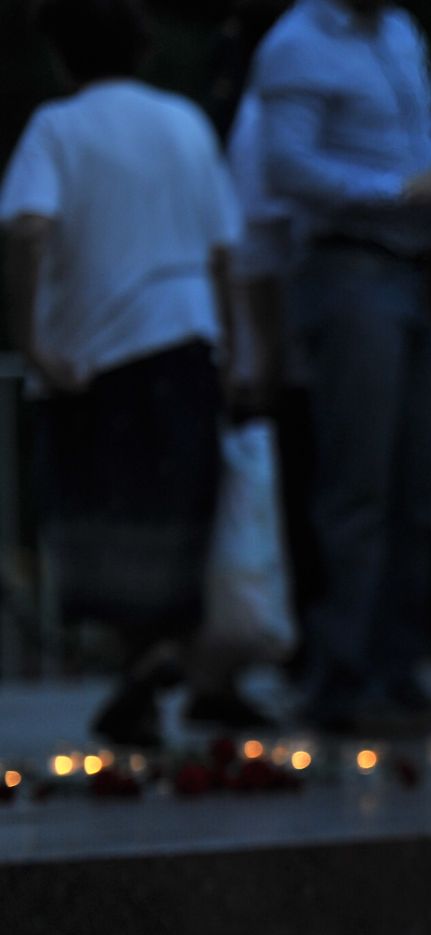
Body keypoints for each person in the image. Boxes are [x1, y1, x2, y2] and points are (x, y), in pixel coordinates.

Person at [1, 0, 249, 744]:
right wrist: (235, 349)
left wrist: (32, 338)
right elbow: (225, 249)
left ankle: (144, 676)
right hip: (186, 343)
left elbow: (26, 226)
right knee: (180, 527)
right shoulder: (184, 122)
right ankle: (171, 676)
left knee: (107, 535)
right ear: (141, 51)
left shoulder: (57, 129)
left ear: (62, 56)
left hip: (97, 360)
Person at [250, 0, 431, 732]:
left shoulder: (400, 30)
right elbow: (285, 165)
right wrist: (396, 191)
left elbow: (419, 133)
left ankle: (399, 667)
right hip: (348, 269)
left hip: (408, 269)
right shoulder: (300, 43)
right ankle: (343, 675)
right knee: (358, 484)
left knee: (412, 481)